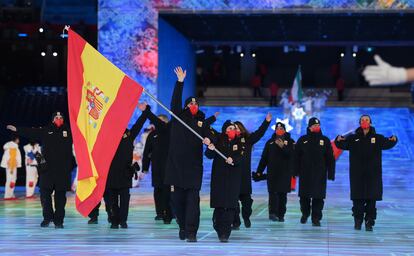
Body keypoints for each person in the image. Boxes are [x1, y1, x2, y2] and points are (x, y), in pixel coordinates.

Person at [164, 67, 213, 242]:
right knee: (177, 202)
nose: (194, 106)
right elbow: (174, 102)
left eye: (196, 104)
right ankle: (182, 226)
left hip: (193, 168)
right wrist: (180, 82)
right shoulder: (178, 116)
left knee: (193, 202)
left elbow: (209, 141)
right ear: (186, 106)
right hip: (176, 167)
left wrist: (209, 143)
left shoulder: (202, 122)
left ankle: (191, 231)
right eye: (191, 104)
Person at [7, 111, 74, 228]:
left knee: (60, 198)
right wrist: (17, 129)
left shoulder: (70, 131)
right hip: (47, 170)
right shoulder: (46, 130)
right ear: (53, 119)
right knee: (45, 196)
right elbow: (31, 132)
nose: (59, 119)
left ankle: (59, 221)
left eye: (61, 117)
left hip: (62, 171)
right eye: (56, 117)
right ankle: (48, 218)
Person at [335, 115, 397, 231]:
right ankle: (357, 221)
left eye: (367, 120)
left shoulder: (377, 138)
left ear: (370, 123)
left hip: (373, 175)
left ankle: (369, 222)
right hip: (357, 175)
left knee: (371, 200)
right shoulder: (352, 138)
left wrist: (394, 139)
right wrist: (338, 140)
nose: (364, 122)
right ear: (359, 123)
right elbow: (342, 144)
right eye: (362, 120)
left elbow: (388, 143)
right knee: (357, 200)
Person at [105, 103, 149, 229]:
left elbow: (139, 124)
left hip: (125, 173)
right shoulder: (105, 136)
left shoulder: (129, 135)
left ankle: (123, 220)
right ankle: (114, 220)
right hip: (110, 173)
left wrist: (146, 111)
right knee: (111, 199)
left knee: (125, 199)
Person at [205, 120, 245, 242]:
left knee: (230, 206)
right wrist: (210, 148)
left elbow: (241, 155)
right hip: (219, 178)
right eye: (229, 128)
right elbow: (208, 155)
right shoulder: (218, 140)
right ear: (225, 130)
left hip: (233, 178)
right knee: (220, 206)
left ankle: (225, 234)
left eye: (234, 128)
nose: (232, 130)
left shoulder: (240, 142)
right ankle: (218, 227)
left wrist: (233, 159)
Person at [232, 113, 271, 229]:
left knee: (247, 202)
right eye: (234, 129)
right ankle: (235, 222)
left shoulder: (248, 140)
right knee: (233, 203)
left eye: (238, 128)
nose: (236, 130)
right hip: (232, 176)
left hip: (244, 177)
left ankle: (246, 216)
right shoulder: (228, 141)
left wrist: (267, 122)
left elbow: (259, 133)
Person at [294, 117, 335, 227]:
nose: (317, 127)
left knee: (318, 197)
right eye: (314, 126)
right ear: (309, 127)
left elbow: (330, 158)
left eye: (318, 125)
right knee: (304, 197)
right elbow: (296, 157)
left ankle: (316, 218)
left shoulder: (325, 140)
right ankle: (305, 213)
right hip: (305, 174)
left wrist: (331, 173)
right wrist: (295, 171)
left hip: (320, 174)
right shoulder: (302, 140)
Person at [256, 122, 295, 222]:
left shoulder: (291, 142)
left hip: (285, 173)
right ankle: (272, 213)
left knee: (282, 195)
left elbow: (292, 155)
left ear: (285, 130)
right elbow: (264, 158)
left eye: (281, 128)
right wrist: (259, 171)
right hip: (272, 173)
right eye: (277, 128)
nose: (279, 130)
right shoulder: (270, 142)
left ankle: (281, 214)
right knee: (272, 193)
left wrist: (283, 146)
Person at [142, 111, 173, 224]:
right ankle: (159, 213)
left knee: (170, 191)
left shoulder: (172, 133)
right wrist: (145, 167)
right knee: (158, 190)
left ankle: (171, 212)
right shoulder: (152, 135)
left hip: (170, 168)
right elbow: (147, 152)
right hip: (156, 168)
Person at [1, 134, 21, 200]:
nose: (19, 140)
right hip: (11, 165)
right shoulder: (13, 146)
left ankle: (10, 194)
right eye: (18, 139)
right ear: (16, 139)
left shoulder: (10, 145)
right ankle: (7, 196)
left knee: (12, 180)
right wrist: (12, 167)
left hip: (12, 165)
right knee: (10, 180)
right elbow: (12, 157)